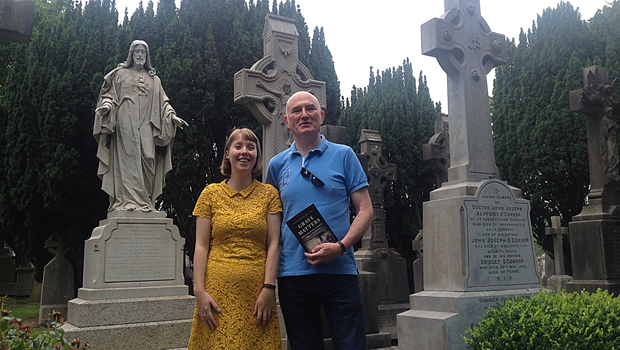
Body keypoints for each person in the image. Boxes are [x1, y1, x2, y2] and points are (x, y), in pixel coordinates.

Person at [266, 91, 373, 350]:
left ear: (321, 116)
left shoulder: (344, 155)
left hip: (339, 271)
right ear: (286, 121)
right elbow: (271, 222)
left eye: (310, 109)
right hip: (293, 274)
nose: (304, 115)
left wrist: (341, 247)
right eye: (296, 110)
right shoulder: (276, 165)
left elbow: (366, 210)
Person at [188, 128, 282, 350]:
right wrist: (199, 291)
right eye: (238, 146)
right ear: (227, 154)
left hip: (257, 293)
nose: (244, 152)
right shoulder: (210, 194)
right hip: (217, 292)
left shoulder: (269, 194)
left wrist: (269, 289)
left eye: (251, 147)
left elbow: (273, 244)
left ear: (257, 155)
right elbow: (201, 245)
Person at [94, 40, 187, 212]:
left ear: (147, 56)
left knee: (148, 156)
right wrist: (107, 106)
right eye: (136, 51)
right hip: (125, 120)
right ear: (131, 54)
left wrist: (172, 116)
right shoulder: (120, 74)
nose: (139, 55)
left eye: (142, 52)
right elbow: (109, 95)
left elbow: (163, 102)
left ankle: (145, 202)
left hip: (147, 123)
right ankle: (125, 201)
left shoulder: (154, 79)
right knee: (128, 159)